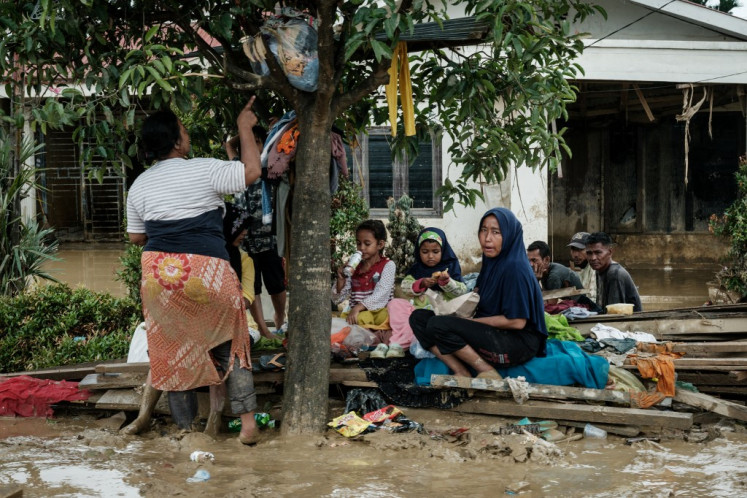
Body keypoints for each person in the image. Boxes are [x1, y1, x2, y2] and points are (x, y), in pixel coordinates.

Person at [125, 98, 261, 445]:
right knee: (233, 345)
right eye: (183, 131)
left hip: (159, 274)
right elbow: (251, 172)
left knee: (171, 350)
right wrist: (244, 126)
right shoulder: (204, 168)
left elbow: (136, 236)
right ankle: (247, 425)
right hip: (208, 269)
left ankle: (186, 432)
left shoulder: (139, 184)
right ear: (175, 142)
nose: (187, 136)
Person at [409, 208, 548, 379]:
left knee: (438, 325)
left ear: (510, 235)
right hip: (494, 332)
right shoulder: (492, 262)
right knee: (419, 318)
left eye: (496, 232)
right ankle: (461, 371)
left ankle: (487, 371)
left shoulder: (515, 268)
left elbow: (517, 322)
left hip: (517, 343)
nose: (487, 238)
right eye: (483, 230)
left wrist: (469, 321)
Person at [230, 126, 288, 340]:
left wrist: (273, 130)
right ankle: (263, 329)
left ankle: (280, 317)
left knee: (276, 284)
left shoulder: (270, 168)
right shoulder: (237, 168)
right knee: (251, 286)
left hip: (269, 239)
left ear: (264, 144)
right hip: (245, 242)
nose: (251, 145)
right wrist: (242, 132)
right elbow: (229, 145)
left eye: (256, 141)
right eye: (248, 142)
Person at [387, 228, 468, 349]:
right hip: (417, 309)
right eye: (425, 252)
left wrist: (446, 282)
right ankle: (404, 339)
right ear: (418, 252)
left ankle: (409, 339)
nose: (430, 256)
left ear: (443, 250)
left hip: (440, 310)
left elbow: (462, 291)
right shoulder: (417, 269)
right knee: (394, 303)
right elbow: (405, 286)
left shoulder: (450, 267)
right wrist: (421, 283)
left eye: (435, 252)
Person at [332, 219, 396, 344]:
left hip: (379, 315)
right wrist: (341, 280)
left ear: (380, 244)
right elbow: (337, 299)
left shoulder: (388, 265)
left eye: (367, 244)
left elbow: (382, 293)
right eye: (358, 243)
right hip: (357, 318)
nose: (361, 248)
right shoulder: (353, 268)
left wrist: (358, 308)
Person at [585, 231, 643, 312]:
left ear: (610, 252)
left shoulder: (614, 274)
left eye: (598, 252)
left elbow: (614, 314)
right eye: (589, 253)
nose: (593, 258)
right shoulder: (599, 270)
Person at [567, 232, 597, 298]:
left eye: (580, 250)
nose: (576, 255)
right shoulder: (575, 270)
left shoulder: (595, 269)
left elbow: (593, 298)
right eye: (573, 249)